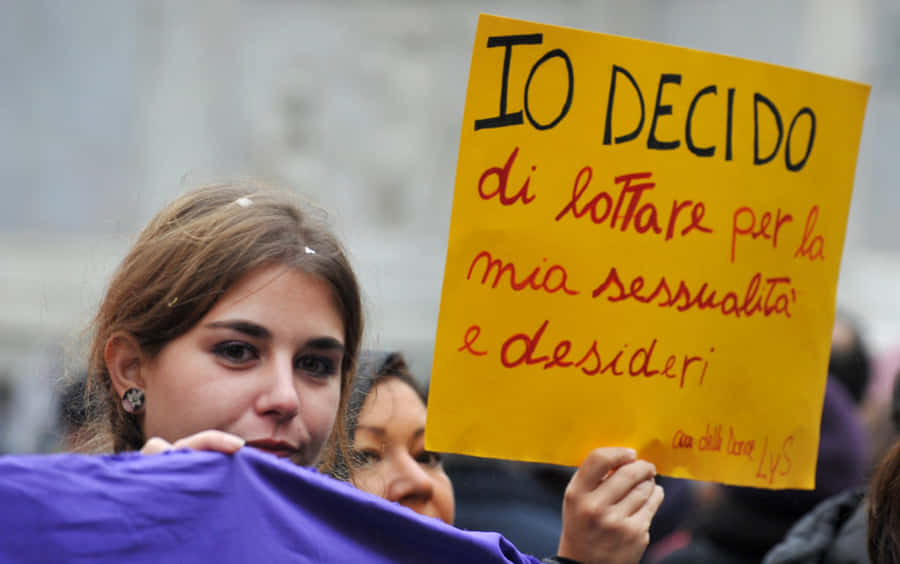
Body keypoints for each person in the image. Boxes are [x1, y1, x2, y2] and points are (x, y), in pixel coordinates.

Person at [55, 182, 662, 564]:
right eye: (238, 352)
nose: (286, 398)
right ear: (130, 366)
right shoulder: (45, 533)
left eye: (318, 365)